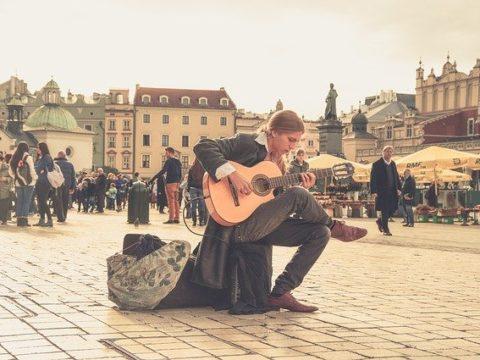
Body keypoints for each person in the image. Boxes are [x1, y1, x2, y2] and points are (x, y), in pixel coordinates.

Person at [193, 109, 367, 312]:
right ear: (273, 132)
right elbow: (203, 146)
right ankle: (337, 226)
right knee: (297, 195)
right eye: (290, 140)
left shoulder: (279, 164)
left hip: (260, 225)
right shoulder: (247, 143)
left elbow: (272, 202)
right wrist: (233, 175)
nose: (292, 147)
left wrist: (302, 188)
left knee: (320, 233)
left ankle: (280, 293)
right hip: (237, 227)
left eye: (296, 142)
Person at [370, 145, 402, 236]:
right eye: (387, 151)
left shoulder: (393, 164)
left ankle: (380, 221)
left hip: (392, 191)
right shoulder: (377, 164)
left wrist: (399, 188)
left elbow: (396, 177)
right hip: (382, 192)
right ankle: (385, 229)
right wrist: (374, 191)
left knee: (392, 209)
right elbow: (373, 178)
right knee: (385, 210)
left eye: (390, 151)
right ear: (383, 152)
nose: (389, 153)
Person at [150, 147, 182, 224]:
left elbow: (163, 171)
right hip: (177, 183)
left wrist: (153, 178)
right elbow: (180, 174)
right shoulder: (178, 161)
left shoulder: (169, 161)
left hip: (170, 183)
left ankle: (171, 218)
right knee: (176, 201)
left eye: (166, 152)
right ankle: (177, 218)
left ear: (170, 152)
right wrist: (178, 181)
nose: (165, 154)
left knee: (171, 201)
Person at [8, 143, 37, 227]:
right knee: (26, 202)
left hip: (18, 183)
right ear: (26, 148)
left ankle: (19, 221)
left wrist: (17, 177)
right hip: (29, 183)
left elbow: (10, 172)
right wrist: (35, 178)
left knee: (20, 201)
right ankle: (24, 221)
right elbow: (32, 170)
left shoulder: (14, 158)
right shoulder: (28, 157)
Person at [34, 142, 54, 227]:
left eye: (38, 147)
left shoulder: (47, 157)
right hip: (39, 181)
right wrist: (39, 170)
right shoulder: (40, 157)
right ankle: (41, 220)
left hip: (45, 182)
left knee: (43, 201)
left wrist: (39, 170)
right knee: (39, 201)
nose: (37, 149)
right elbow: (37, 169)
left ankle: (49, 220)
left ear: (42, 148)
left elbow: (42, 168)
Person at [53, 151, 76, 222]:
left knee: (58, 200)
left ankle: (60, 217)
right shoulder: (70, 164)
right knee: (65, 201)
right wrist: (72, 187)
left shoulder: (54, 163)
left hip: (57, 184)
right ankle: (64, 216)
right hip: (67, 185)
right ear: (65, 156)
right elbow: (73, 176)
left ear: (58, 156)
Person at [188, 158, 207, 226]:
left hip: (193, 188)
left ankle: (194, 221)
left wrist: (188, 189)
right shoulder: (204, 170)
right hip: (202, 189)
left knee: (193, 205)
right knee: (201, 206)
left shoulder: (191, 169)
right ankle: (201, 221)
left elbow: (189, 180)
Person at [0, 153, 13, 225]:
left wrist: (4, 178)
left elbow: (11, 178)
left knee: (4, 205)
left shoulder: (7, 168)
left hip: (4, 190)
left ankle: (4, 219)